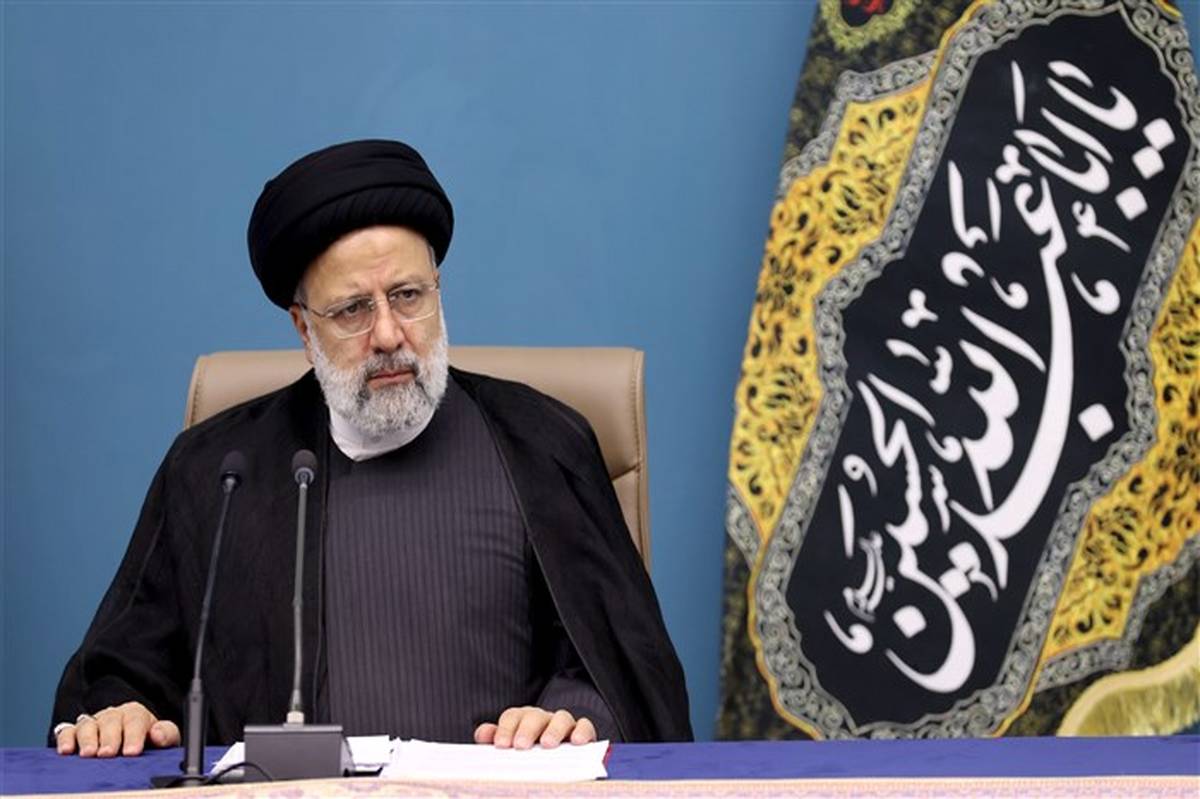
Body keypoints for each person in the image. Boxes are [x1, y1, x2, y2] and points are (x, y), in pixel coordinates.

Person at [50, 139, 692, 758]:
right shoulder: (218, 471)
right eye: (353, 310)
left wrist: (572, 714)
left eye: (408, 297)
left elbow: (621, 667)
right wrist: (123, 710)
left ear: (438, 291)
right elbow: (124, 669)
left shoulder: (542, 442)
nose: (388, 334)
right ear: (304, 328)